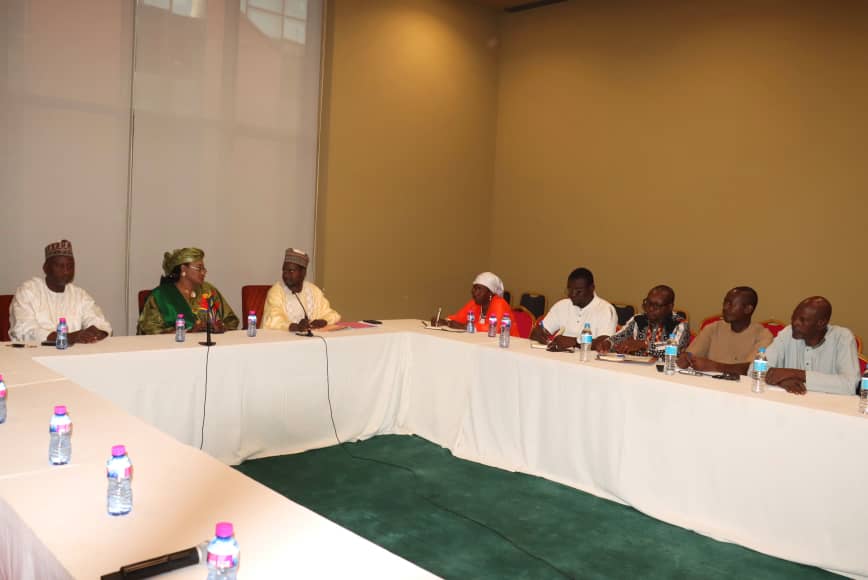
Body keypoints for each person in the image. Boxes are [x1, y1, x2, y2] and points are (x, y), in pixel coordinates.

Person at [750, 296, 860, 395]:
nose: (795, 323)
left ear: (821, 323)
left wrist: (796, 374)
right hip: (792, 403)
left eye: (802, 320)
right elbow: (754, 370)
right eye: (793, 318)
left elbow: (850, 384)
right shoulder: (787, 333)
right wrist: (782, 380)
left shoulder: (843, 338)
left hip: (830, 406)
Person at [9, 239, 112, 344]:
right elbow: (24, 330)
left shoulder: (79, 295)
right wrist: (67, 337)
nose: (66, 271)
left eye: (70, 266)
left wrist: (96, 332)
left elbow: (101, 324)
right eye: (59, 266)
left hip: (73, 353)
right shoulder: (28, 291)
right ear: (45, 268)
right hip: (34, 352)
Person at [137, 248, 238, 335]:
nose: (204, 271)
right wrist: (188, 332)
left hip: (211, 347)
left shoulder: (208, 290)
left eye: (204, 268)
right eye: (199, 268)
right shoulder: (160, 296)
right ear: (183, 269)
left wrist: (221, 326)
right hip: (175, 349)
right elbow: (148, 332)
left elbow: (231, 319)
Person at [677, 287, 773, 375]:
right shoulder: (713, 328)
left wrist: (714, 366)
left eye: (731, 304)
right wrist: (686, 358)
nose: (725, 308)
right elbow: (691, 354)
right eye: (725, 303)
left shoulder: (763, 335)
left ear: (747, 309)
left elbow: (753, 369)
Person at [530, 267, 617, 351]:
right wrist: (538, 334)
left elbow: (605, 343)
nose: (572, 294)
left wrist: (575, 342)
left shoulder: (606, 310)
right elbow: (540, 331)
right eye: (570, 290)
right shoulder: (561, 305)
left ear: (591, 288)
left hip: (587, 359)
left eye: (578, 291)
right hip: (559, 357)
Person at [596, 285, 689, 357]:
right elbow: (619, 336)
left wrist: (644, 345)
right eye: (648, 303)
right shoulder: (638, 319)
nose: (650, 308)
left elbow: (675, 348)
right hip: (637, 369)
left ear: (670, 307)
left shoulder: (680, 324)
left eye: (657, 306)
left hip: (664, 371)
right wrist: (608, 343)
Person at [262, 248, 340, 332]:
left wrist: (323, 321)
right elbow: (273, 319)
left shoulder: (314, 291)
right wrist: (294, 326)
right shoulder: (276, 291)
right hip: (282, 338)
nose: (286, 275)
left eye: (291, 271)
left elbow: (332, 314)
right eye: (284, 270)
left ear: (303, 273)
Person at [432, 272, 519, 336]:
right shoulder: (474, 303)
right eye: (474, 288)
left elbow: (495, 329)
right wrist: (444, 321)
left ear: (490, 293)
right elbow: (458, 318)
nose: (473, 292)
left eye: (478, 289)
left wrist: (465, 327)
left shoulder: (499, 304)